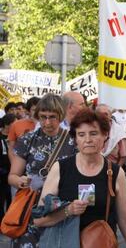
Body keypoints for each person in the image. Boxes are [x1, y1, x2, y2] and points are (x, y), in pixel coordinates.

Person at [33, 108, 126, 247]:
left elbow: (125, 220)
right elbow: (39, 220)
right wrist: (68, 210)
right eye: (81, 134)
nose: (88, 140)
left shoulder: (114, 172)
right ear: (75, 139)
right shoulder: (60, 168)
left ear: (105, 135)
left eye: (93, 133)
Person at [8, 93, 77, 247]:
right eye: (42, 116)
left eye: (52, 117)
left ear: (61, 115)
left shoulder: (74, 141)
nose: (47, 122)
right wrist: (20, 181)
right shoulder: (27, 139)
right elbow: (12, 176)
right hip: (31, 207)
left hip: (60, 210)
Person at [95, 104, 126, 168]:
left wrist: (116, 170)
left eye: (106, 114)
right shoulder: (90, 129)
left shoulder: (119, 132)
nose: (103, 117)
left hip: (111, 169)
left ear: (110, 115)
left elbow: (124, 156)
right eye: (100, 114)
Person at [0, 114, 16, 222]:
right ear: (6, 125)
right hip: (1, 173)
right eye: (14, 124)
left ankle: (9, 220)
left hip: (13, 172)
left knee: (12, 198)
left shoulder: (15, 137)